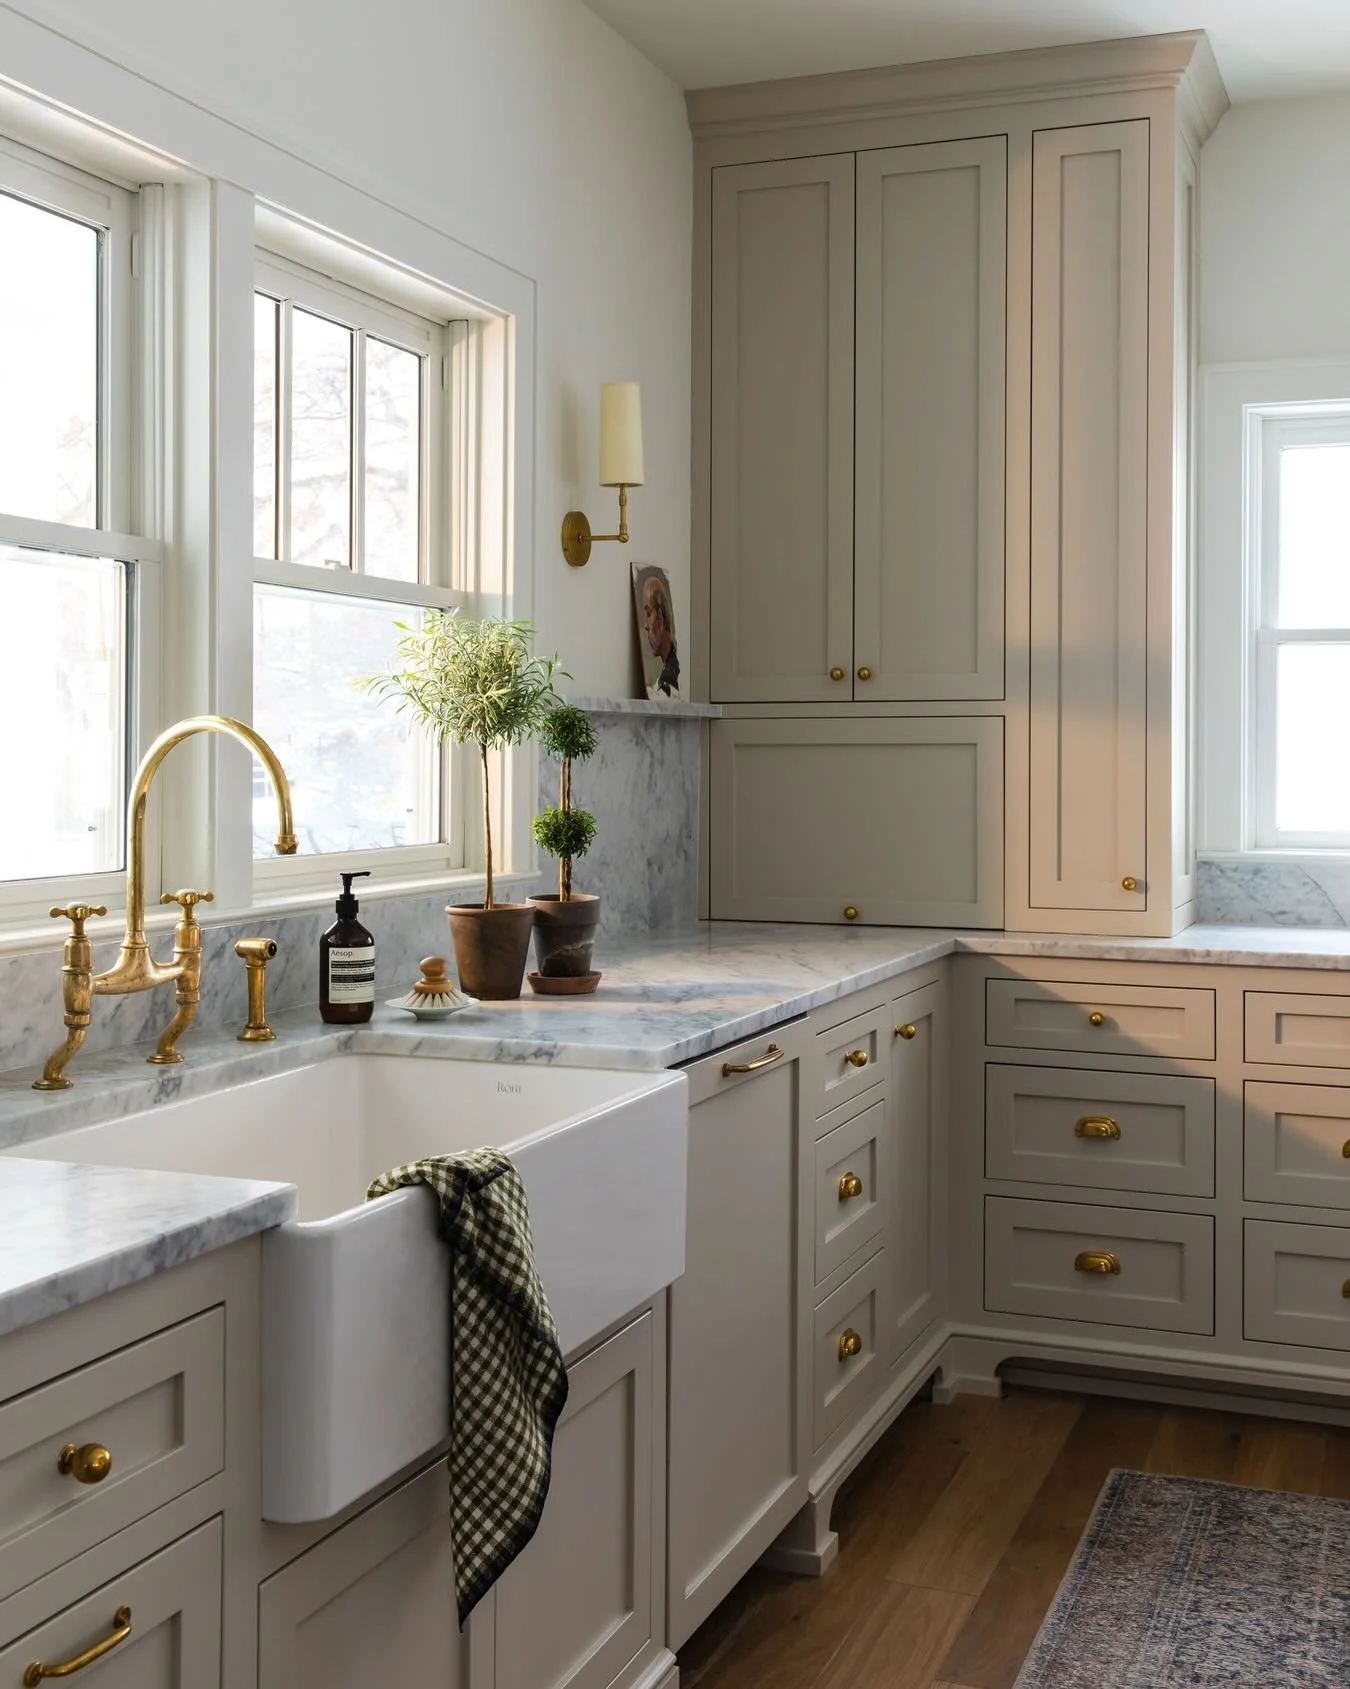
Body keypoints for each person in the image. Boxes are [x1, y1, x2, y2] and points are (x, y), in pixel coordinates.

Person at [640, 571, 681, 697]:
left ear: (660, 619)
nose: (646, 626)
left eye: (648, 614)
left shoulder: (670, 679)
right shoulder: (672, 667)